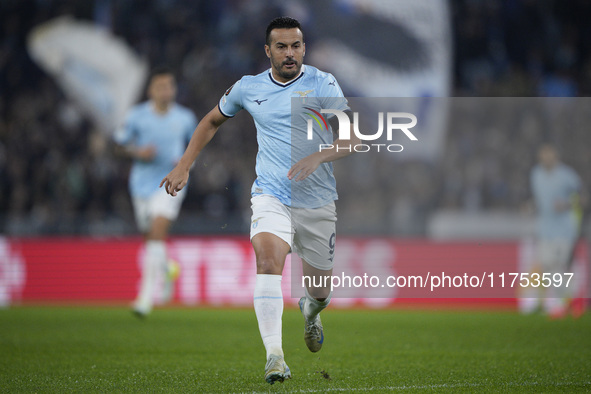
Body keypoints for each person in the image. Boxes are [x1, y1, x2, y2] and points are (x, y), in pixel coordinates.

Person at [160, 17, 357, 384]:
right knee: (268, 261)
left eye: (296, 46)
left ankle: (311, 313)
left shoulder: (322, 82)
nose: (290, 54)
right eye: (281, 47)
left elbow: (351, 138)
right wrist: (184, 165)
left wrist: (320, 156)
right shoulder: (249, 88)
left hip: (316, 201)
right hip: (271, 194)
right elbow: (211, 121)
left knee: (320, 292)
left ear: (303, 48)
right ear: (267, 51)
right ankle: (275, 357)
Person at [115, 67, 198, 317]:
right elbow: (118, 146)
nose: (165, 91)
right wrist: (137, 152)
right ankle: (168, 268)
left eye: (169, 86)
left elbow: (195, 148)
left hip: (171, 183)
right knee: (150, 237)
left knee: (156, 233)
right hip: (141, 185)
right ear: (151, 91)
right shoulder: (136, 116)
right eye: (160, 87)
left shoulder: (184, 117)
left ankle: (144, 297)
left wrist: (185, 165)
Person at [529, 144, 583, 318]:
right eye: (543, 156)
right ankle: (568, 301)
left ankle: (564, 302)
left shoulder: (567, 175)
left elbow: (583, 198)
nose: (546, 159)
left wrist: (567, 204)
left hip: (564, 229)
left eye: (549, 156)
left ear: (556, 156)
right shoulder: (535, 174)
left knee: (559, 265)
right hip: (545, 229)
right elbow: (538, 199)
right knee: (547, 265)